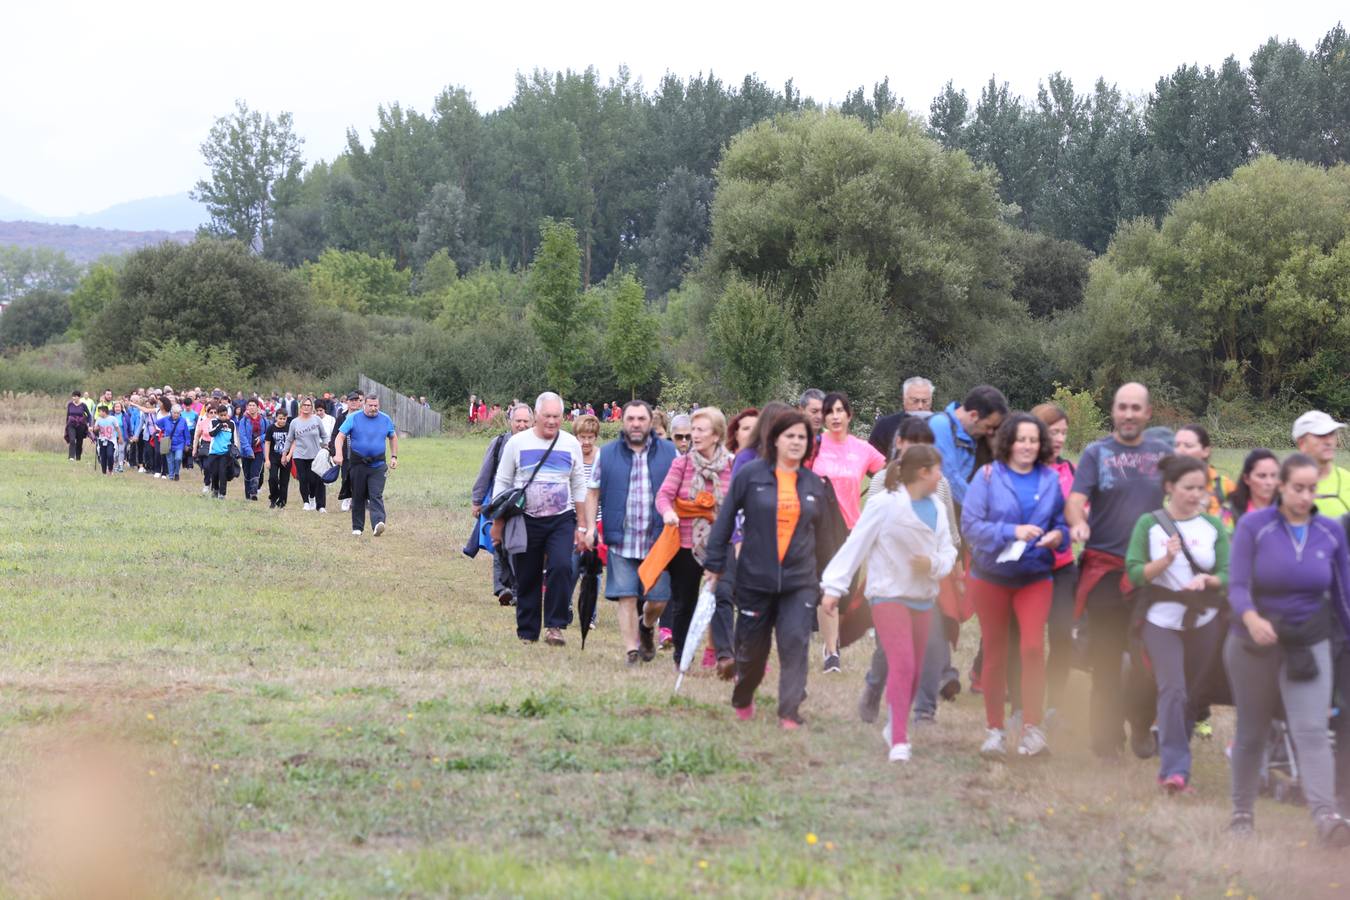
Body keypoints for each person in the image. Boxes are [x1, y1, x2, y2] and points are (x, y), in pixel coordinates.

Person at [1225, 453, 1350, 845]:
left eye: (1312, 489)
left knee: (1312, 730)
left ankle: (1326, 817)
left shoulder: (1330, 532)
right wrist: (1251, 618)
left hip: (1308, 641)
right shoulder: (1254, 526)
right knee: (1252, 731)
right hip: (1253, 641)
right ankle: (1242, 813)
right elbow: (1238, 586)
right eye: (1298, 488)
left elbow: (1343, 595)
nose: (1305, 496)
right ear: (1280, 485)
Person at [823, 444, 955, 761]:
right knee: (903, 663)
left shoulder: (937, 507)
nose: (941, 476)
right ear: (923, 472)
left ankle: (894, 724)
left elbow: (948, 550)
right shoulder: (884, 504)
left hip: (923, 597)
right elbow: (856, 544)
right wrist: (833, 587)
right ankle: (899, 739)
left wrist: (934, 564)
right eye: (937, 470)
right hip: (887, 594)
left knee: (916, 669)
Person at [1066, 383, 1173, 759]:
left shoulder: (1164, 454)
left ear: (1147, 413)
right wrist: (1078, 522)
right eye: (1122, 407)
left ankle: (1143, 727)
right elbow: (1076, 500)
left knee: (1149, 659)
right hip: (1106, 573)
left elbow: (1187, 495)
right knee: (1107, 660)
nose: (1128, 414)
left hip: (1152, 573)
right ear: (1113, 411)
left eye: (1136, 408)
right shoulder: (1097, 453)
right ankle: (1107, 739)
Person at [705, 411, 827, 729]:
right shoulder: (752, 475)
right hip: (755, 578)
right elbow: (726, 518)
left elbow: (827, 538)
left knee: (795, 641)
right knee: (752, 652)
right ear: (775, 440)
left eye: (802, 437)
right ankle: (744, 696)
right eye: (790, 436)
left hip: (799, 581)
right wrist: (716, 565)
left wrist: (829, 582)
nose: (797, 442)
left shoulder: (814, 484)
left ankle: (789, 711)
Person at [961, 412, 1067, 759]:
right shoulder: (987, 476)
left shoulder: (1050, 480)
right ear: (1008, 441)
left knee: (1034, 648)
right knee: (995, 651)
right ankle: (994, 731)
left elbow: (1063, 526)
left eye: (1033, 440)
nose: (1027, 445)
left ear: (1042, 445)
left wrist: (1057, 537)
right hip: (991, 578)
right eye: (1021, 439)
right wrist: (1011, 532)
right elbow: (971, 526)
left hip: (1035, 577)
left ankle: (1032, 731)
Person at [1123, 454, 1229, 794]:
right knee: (1173, 689)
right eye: (1188, 488)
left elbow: (1228, 572)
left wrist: (1208, 583)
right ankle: (1174, 770)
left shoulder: (1213, 527)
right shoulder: (1149, 524)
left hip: (1204, 621)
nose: (1196, 494)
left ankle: (1177, 762)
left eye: (1201, 488)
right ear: (1170, 487)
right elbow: (1135, 572)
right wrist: (1164, 561)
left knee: (1192, 696)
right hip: (1161, 620)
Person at [860, 417, 963, 728]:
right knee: (889, 648)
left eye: (925, 443)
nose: (917, 448)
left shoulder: (940, 483)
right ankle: (874, 687)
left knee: (934, 643)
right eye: (911, 441)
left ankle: (924, 711)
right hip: (890, 579)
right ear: (899, 444)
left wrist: (954, 566)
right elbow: (868, 532)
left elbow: (951, 533)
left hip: (930, 575)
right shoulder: (882, 481)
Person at [492, 392, 592, 646]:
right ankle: (527, 631)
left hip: (561, 518)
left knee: (562, 566)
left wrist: (581, 525)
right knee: (527, 575)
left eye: (556, 416)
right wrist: (497, 523)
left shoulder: (570, 444)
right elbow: (502, 482)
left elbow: (579, 484)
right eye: (547, 416)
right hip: (525, 519)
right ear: (536, 416)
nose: (551, 421)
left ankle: (555, 626)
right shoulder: (518, 443)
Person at [583, 401, 678, 663]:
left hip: (658, 540)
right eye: (631, 419)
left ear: (650, 422)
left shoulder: (670, 453)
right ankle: (631, 650)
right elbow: (592, 492)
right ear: (622, 421)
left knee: (658, 599)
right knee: (626, 595)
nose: (636, 424)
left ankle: (647, 625)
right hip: (621, 539)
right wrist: (591, 527)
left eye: (641, 419)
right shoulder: (608, 453)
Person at [810, 391, 887, 673]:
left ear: (849, 415)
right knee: (827, 586)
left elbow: (889, 473)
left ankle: (832, 639)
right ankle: (832, 652)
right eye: (829, 411)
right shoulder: (814, 446)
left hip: (853, 528)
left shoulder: (862, 449)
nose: (835, 416)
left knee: (846, 592)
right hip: (820, 527)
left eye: (840, 410)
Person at [653, 407, 733, 670]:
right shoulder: (683, 463)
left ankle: (724, 656)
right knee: (683, 604)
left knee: (722, 598)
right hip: (686, 545)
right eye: (693, 430)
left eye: (700, 430)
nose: (694, 436)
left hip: (720, 546)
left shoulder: (732, 465)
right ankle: (681, 658)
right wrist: (667, 513)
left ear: (717, 434)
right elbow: (663, 495)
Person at [1030, 402, 1078, 720]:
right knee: (1029, 642)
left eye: (1063, 431)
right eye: (1053, 431)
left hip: (1063, 567)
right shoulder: (1021, 470)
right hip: (1029, 568)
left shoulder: (1071, 470)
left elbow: (1081, 512)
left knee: (1062, 635)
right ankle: (1025, 703)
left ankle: (1055, 705)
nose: (1059, 438)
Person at [472, 403, 534, 605]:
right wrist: (477, 501)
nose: (522, 425)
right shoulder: (499, 443)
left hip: (529, 504)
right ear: (510, 422)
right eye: (518, 421)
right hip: (502, 501)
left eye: (526, 421)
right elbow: (485, 472)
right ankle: (503, 588)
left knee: (519, 546)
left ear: (532, 422)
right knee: (500, 544)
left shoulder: (538, 444)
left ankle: (517, 588)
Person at [928, 385, 1009, 511]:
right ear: (973, 415)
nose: (990, 432)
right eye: (988, 426)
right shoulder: (940, 425)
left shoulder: (969, 435)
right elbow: (949, 478)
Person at [334, 394, 398, 537]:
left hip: (378, 464)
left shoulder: (385, 419)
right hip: (358, 463)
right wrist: (339, 454)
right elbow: (340, 437)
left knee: (376, 494)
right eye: (371, 405)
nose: (373, 408)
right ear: (364, 405)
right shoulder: (353, 418)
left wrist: (394, 456)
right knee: (358, 495)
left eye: (376, 405)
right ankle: (357, 528)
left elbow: (392, 437)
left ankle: (378, 524)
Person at [1173, 424, 1236, 523]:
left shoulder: (1224, 486)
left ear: (1205, 451)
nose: (1180, 450)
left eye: (1188, 446)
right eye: (1176, 445)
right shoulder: (1166, 485)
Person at [1292, 410, 1350, 518]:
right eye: (1321, 435)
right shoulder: (1283, 486)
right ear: (1301, 443)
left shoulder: (1348, 480)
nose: (1329, 441)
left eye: (1331, 434)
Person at [282, 398, 328, 513]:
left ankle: (315, 500)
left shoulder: (316, 420)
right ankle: (306, 502)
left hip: (315, 454)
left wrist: (326, 446)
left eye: (308, 405)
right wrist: (284, 454)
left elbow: (324, 435)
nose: (306, 407)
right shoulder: (295, 422)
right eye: (304, 405)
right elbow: (289, 439)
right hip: (299, 455)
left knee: (314, 480)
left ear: (311, 407)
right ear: (301, 407)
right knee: (303, 479)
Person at [869, 376, 935, 456]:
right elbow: (872, 458)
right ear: (904, 399)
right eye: (915, 401)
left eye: (925, 401)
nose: (920, 406)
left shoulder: (941, 426)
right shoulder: (885, 425)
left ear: (931, 400)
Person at [1228, 449, 1280, 525]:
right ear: (1247, 479)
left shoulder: (1287, 507)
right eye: (1262, 476)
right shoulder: (1231, 509)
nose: (1269, 482)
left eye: (1273, 475)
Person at [334, 392, 363, 512]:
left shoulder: (364, 415)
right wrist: (334, 451)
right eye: (352, 400)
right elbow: (335, 434)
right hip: (346, 452)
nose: (354, 402)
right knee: (345, 476)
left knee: (359, 477)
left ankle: (358, 501)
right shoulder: (341, 416)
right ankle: (347, 498)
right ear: (347, 402)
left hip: (360, 452)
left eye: (356, 400)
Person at [236, 398, 270, 501]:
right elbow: (242, 437)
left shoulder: (264, 420)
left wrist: (261, 438)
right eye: (249, 405)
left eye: (253, 405)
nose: (251, 407)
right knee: (247, 474)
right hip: (246, 452)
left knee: (255, 473)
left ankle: (253, 492)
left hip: (259, 450)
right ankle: (248, 496)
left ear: (258, 407)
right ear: (247, 407)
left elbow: (268, 433)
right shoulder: (244, 420)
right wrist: (249, 451)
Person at [206, 404, 237, 499]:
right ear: (218, 415)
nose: (223, 417)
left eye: (225, 415)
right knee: (214, 472)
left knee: (222, 472)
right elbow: (211, 433)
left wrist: (234, 449)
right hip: (214, 452)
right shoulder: (213, 422)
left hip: (225, 452)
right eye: (221, 415)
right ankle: (215, 489)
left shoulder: (231, 423)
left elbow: (233, 438)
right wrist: (220, 426)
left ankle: (222, 493)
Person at [264, 410, 291, 508]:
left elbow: (293, 442)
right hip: (273, 457)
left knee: (284, 481)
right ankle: (273, 498)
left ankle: (282, 502)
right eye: (280, 418)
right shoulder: (271, 428)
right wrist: (267, 459)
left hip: (286, 458)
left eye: (284, 419)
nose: (282, 421)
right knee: (273, 478)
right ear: (276, 418)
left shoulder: (289, 427)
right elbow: (267, 443)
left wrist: (289, 455)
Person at [156, 405, 190, 481]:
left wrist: (187, 443)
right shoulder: (166, 419)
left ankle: (176, 473)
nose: (176, 415)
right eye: (174, 413)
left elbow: (186, 433)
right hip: (169, 442)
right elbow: (157, 422)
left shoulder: (183, 420)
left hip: (179, 443)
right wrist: (163, 429)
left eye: (178, 413)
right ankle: (171, 476)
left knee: (178, 458)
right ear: (171, 412)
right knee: (170, 460)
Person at [92, 404, 122, 475]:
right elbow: (95, 429)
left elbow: (117, 428)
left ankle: (110, 469)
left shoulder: (112, 419)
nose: (98, 413)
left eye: (99, 411)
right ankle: (104, 472)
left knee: (110, 454)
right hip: (102, 440)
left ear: (104, 412)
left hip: (111, 440)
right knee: (103, 456)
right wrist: (94, 429)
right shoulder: (98, 420)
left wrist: (120, 437)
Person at [64, 391, 90, 461]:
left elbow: (89, 415)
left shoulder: (83, 405)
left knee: (79, 441)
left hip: (81, 425)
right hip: (71, 424)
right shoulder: (70, 404)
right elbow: (68, 414)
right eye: (73, 396)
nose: (74, 398)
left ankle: (78, 457)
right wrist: (67, 424)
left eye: (75, 396)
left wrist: (89, 423)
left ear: (79, 397)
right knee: (72, 440)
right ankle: (71, 457)